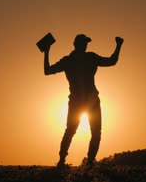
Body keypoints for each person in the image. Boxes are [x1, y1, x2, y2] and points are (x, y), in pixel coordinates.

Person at [43, 34, 124, 167]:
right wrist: (46, 52)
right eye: (84, 43)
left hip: (86, 101)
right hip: (82, 101)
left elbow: (111, 61)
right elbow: (48, 71)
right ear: (76, 44)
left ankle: (87, 161)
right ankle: (64, 160)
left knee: (88, 131)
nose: (86, 45)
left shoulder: (78, 59)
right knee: (74, 131)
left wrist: (118, 46)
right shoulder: (76, 59)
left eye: (86, 43)